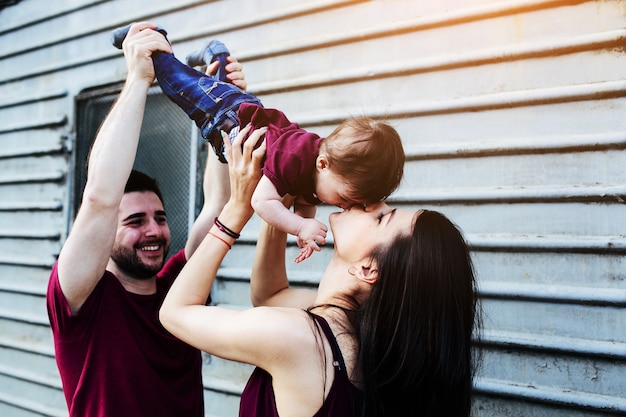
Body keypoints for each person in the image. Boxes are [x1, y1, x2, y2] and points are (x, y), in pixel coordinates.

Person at [159, 126, 481, 416]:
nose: (373, 203)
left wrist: (238, 208)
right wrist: (286, 203)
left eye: (383, 217)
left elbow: (175, 313)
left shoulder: (300, 338)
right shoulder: (361, 339)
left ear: (369, 269)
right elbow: (270, 295)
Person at [45, 22, 255, 417]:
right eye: (135, 221)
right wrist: (140, 79)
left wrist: (227, 105)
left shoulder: (178, 286)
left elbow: (217, 204)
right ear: (105, 232)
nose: (154, 231)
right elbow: (99, 198)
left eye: (159, 217)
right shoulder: (81, 297)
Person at [111, 23, 406, 262]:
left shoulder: (320, 179)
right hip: (226, 113)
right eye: (345, 197)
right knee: (177, 84)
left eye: (352, 203)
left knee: (216, 82)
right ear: (323, 163)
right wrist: (299, 225)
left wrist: (301, 232)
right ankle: (153, 42)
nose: (344, 205)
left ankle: (218, 53)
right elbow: (262, 201)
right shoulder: (294, 159)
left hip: (237, 127)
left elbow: (304, 205)